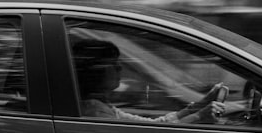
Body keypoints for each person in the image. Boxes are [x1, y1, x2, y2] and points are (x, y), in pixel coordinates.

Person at [72, 38, 225, 123]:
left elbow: (153, 126)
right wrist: (199, 117)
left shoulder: (102, 106)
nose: (119, 68)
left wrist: (196, 108)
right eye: (112, 63)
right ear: (94, 71)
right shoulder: (94, 111)